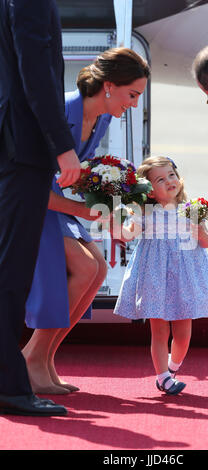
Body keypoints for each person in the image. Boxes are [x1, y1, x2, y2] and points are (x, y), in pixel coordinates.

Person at [22, 48, 151, 394]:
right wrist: (91, 214)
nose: (135, 104)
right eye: (132, 95)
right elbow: (30, 184)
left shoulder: (103, 118)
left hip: (54, 202)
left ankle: (44, 357)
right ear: (109, 86)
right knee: (82, 266)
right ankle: (31, 357)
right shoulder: (61, 110)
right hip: (27, 201)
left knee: (97, 269)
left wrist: (116, 209)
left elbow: (82, 176)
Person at [0, 0, 81, 416]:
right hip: (22, 149)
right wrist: (63, 147)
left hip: (10, 143)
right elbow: (36, 71)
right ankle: (9, 387)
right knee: (11, 272)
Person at [112, 156, 208, 394]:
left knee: (182, 334)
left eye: (171, 175)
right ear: (149, 192)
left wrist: (200, 232)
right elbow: (129, 235)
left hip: (185, 276)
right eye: (160, 179)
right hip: (155, 274)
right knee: (159, 331)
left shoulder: (191, 209)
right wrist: (114, 224)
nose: (169, 181)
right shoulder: (145, 213)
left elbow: (207, 242)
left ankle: (172, 367)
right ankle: (162, 377)